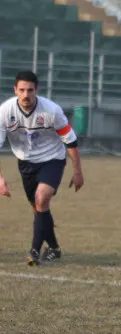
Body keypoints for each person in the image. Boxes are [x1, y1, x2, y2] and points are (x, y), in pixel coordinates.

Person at [0, 71, 84, 265]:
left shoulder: (51, 110)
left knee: (41, 198)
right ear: (15, 90)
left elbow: (70, 141)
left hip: (52, 158)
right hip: (26, 163)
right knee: (38, 208)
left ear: (36, 90)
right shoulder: (5, 112)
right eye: (21, 90)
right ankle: (54, 248)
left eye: (30, 90)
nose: (26, 95)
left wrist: (77, 172)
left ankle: (34, 252)